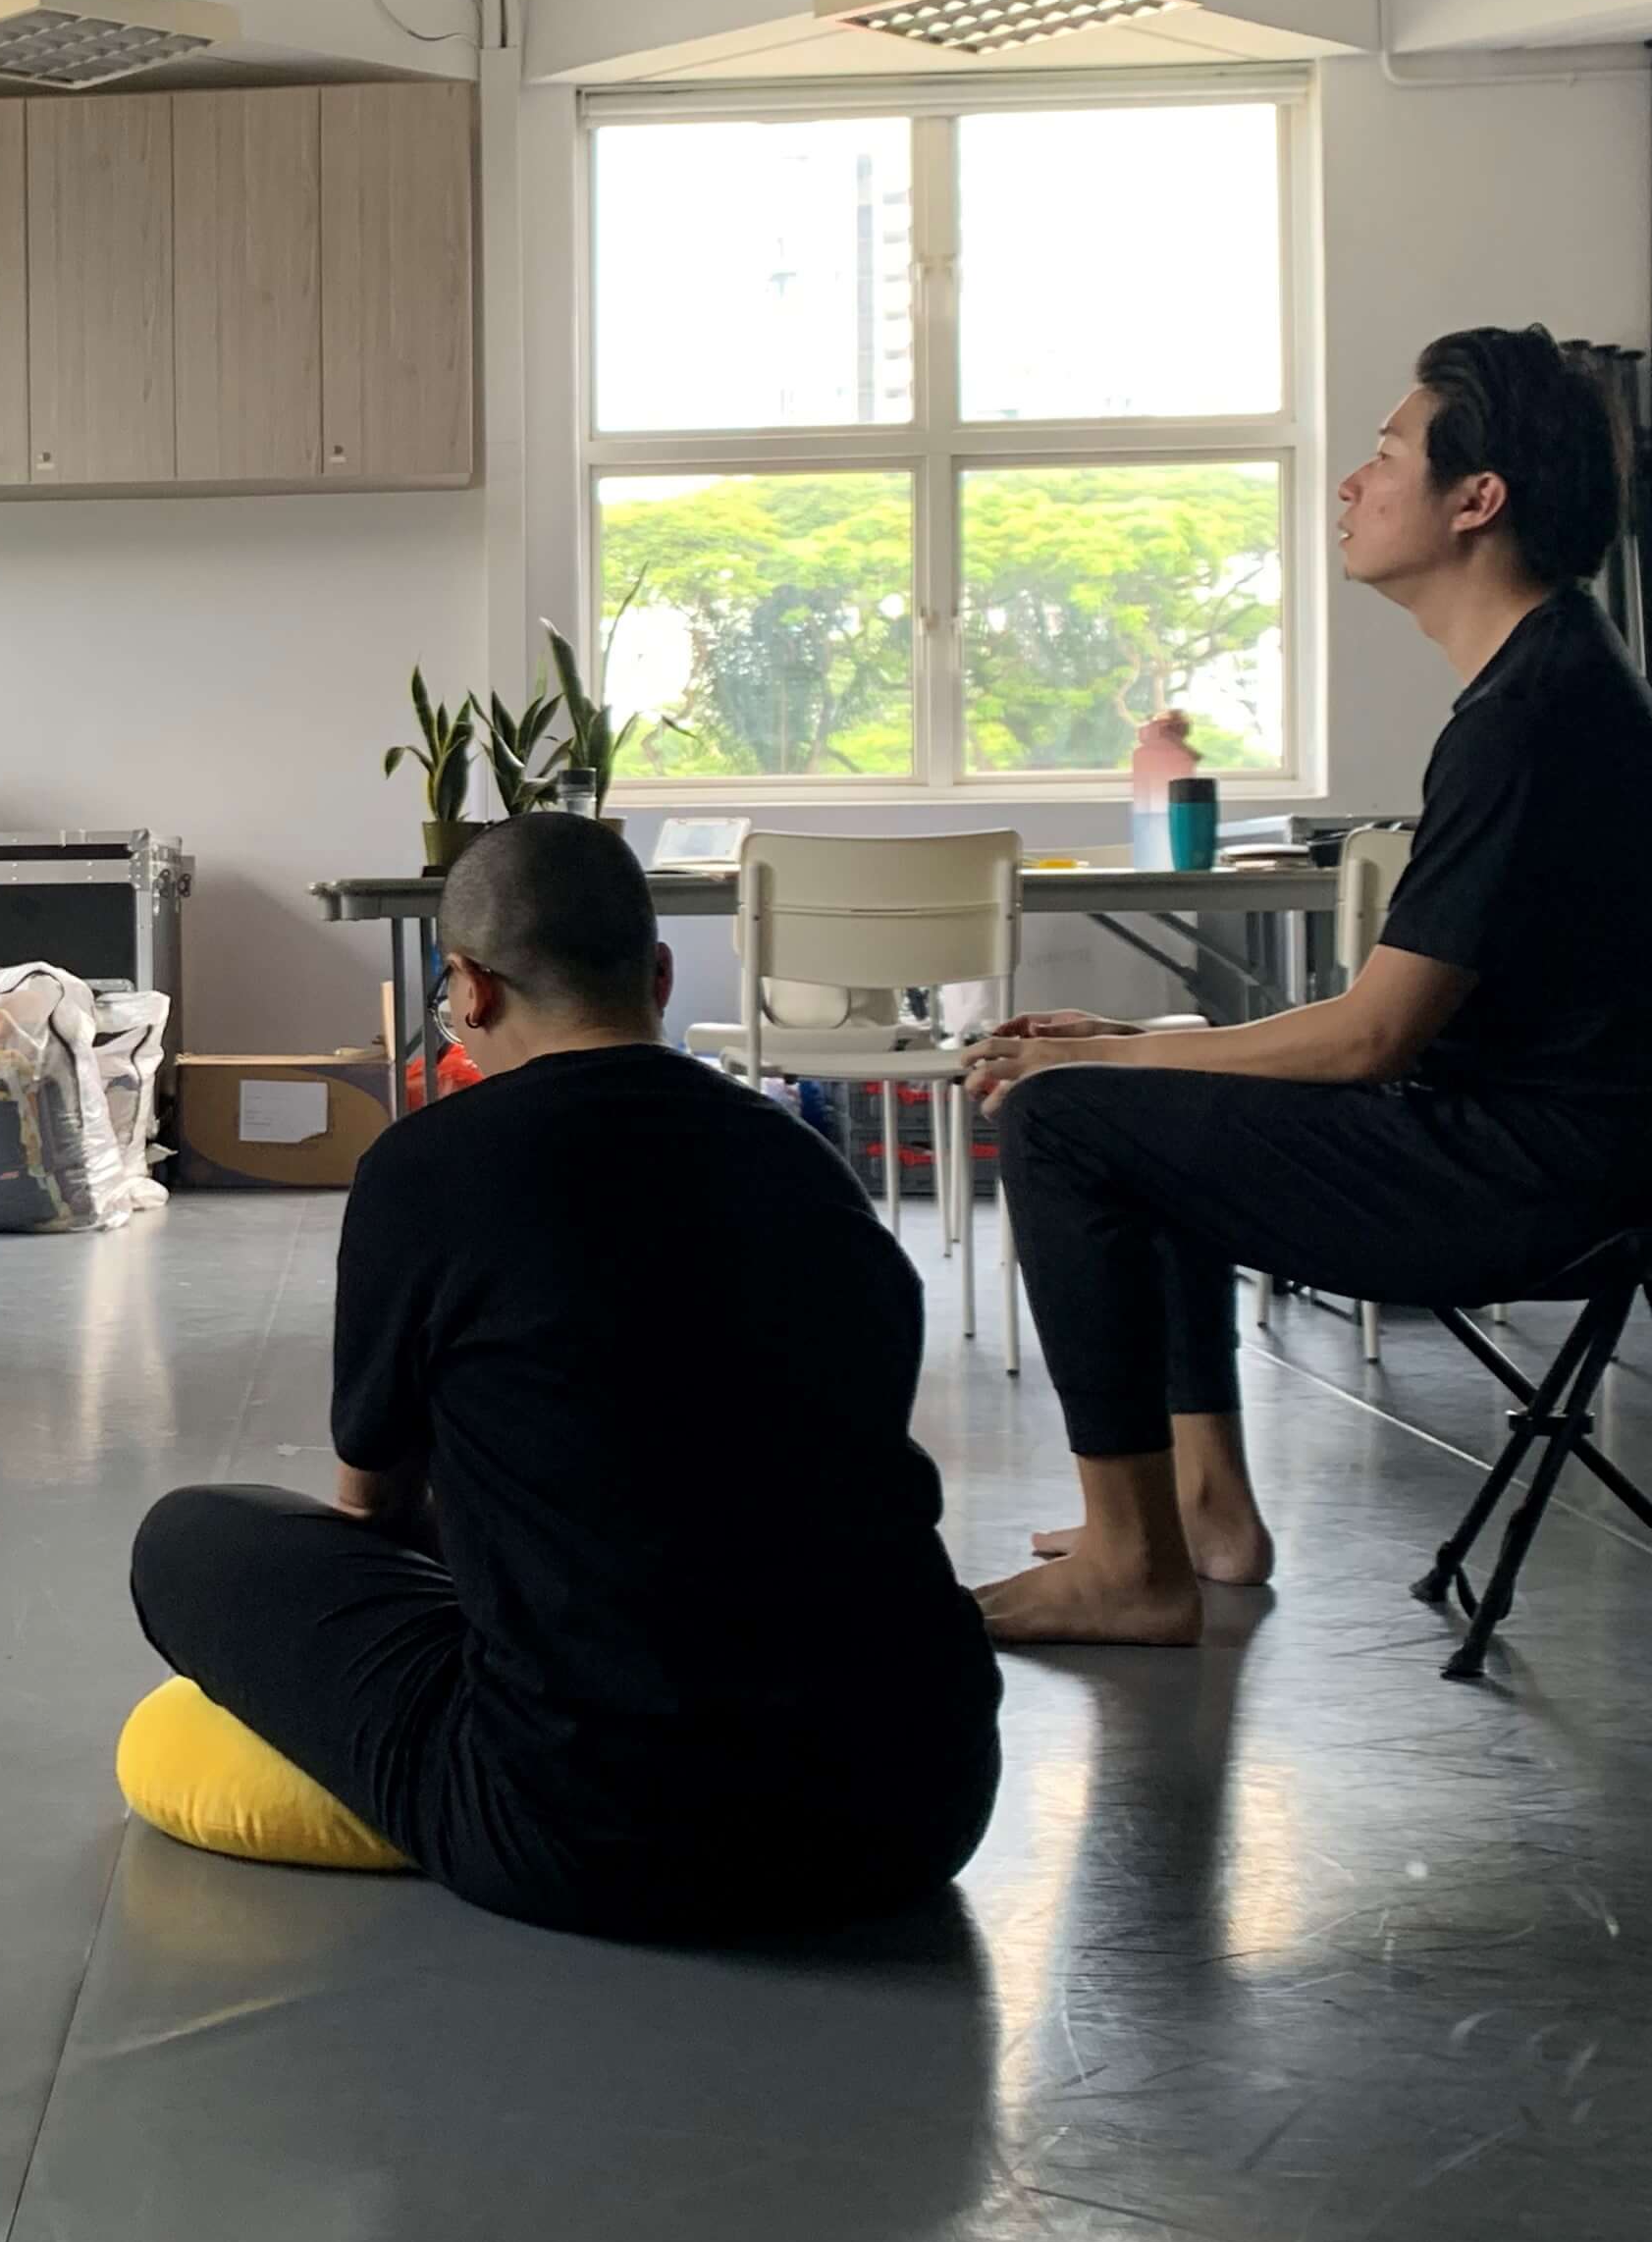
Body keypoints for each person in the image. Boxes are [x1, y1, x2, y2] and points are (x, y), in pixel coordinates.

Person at [963, 325, 1652, 1648]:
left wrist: (1095, 1063)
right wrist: (1129, 1044)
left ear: (1475, 500)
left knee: (1062, 1118)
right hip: (1568, 1154)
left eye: (1385, 456)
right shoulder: (1551, 677)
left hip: (1538, 1180)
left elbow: (1372, 1038)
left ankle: (1127, 1566)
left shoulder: (1532, 716)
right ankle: (1202, 1510)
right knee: (1155, 1069)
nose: (1352, 485)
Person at [130, 813, 1001, 1943]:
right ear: (659, 974)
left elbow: (372, 1510)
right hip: (915, 1809)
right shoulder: (803, 1162)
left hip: (593, 1833)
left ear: (471, 991)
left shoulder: (427, 1167)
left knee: (189, 1536)